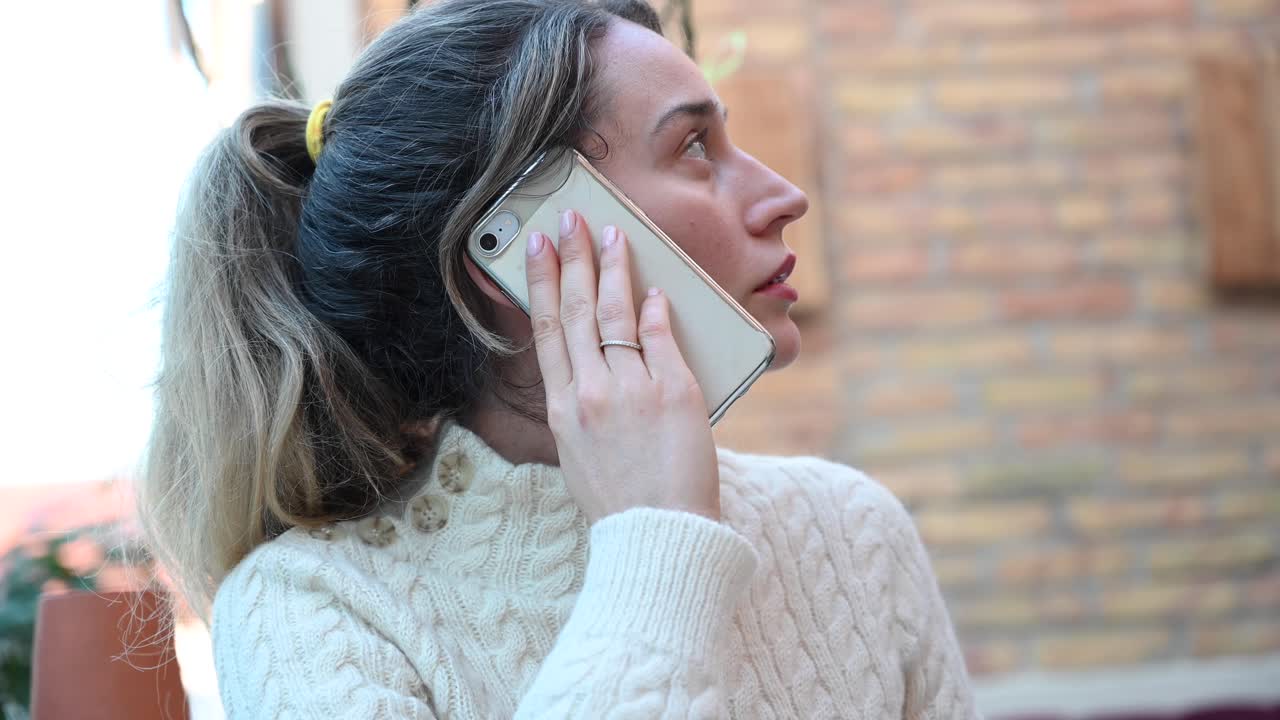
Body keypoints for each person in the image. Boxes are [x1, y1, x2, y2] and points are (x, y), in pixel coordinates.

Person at [137, 0, 979, 717]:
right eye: (693, 148)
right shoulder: (311, 612)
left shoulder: (850, 531)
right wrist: (654, 543)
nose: (784, 196)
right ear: (520, 250)